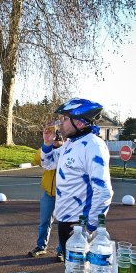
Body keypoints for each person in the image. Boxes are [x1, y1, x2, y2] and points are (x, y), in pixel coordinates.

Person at [41, 98, 113, 256]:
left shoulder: (94, 146)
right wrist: (47, 143)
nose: (60, 123)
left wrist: (89, 227)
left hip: (80, 225)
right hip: (64, 221)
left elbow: (104, 191)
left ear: (80, 122)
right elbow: (48, 164)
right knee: (71, 272)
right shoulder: (69, 144)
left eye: (65, 118)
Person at [28, 131, 64, 262]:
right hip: (48, 193)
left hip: (64, 195)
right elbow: (37, 159)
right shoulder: (48, 151)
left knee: (63, 224)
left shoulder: (67, 150)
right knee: (44, 222)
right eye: (56, 136)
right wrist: (48, 145)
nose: (57, 139)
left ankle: (62, 250)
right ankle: (40, 246)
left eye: (59, 137)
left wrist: (60, 147)